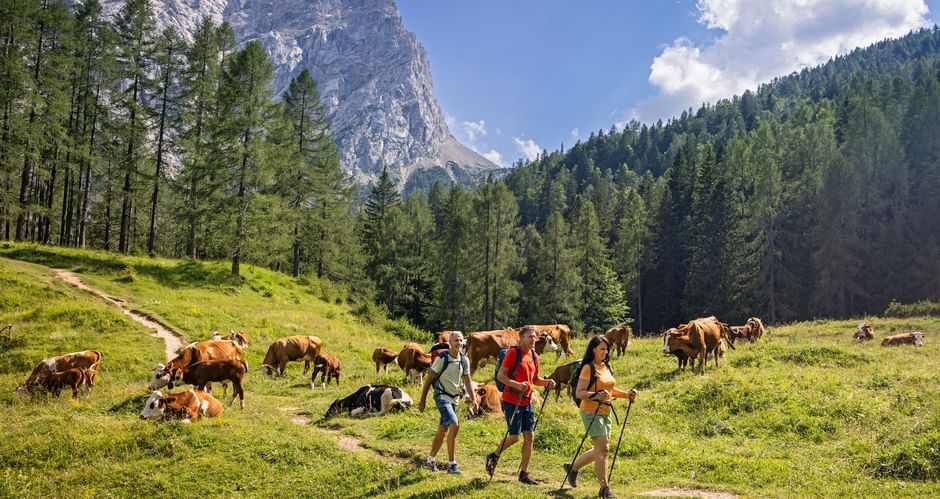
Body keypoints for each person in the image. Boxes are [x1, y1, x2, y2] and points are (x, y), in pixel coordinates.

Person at [564, 335, 636, 499]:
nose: (605, 352)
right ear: (593, 349)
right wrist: (596, 395)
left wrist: (626, 395)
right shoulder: (588, 368)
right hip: (590, 412)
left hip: (605, 411)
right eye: (602, 348)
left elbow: (609, 389)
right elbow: (579, 393)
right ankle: (604, 488)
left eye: (606, 349)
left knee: (601, 449)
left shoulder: (606, 366)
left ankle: (573, 468)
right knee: (603, 449)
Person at [484, 326, 556, 484]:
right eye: (530, 336)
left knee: (529, 436)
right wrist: (517, 385)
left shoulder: (534, 356)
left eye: (535, 337)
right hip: (512, 400)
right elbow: (501, 376)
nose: (533, 339)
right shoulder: (513, 353)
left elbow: (535, 379)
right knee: (514, 437)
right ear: (521, 338)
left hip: (527, 400)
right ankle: (494, 455)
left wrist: (547, 382)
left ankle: (524, 473)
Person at [418, 331, 478, 474]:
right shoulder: (442, 358)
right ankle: (452, 464)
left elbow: (468, 381)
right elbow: (429, 379)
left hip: (454, 399)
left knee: (443, 429)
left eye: (460, 341)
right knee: (454, 424)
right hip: (441, 396)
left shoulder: (464, 360)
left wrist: (474, 399)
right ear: (450, 343)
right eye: (456, 340)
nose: (459, 343)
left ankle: (430, 460)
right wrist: (422, 400)